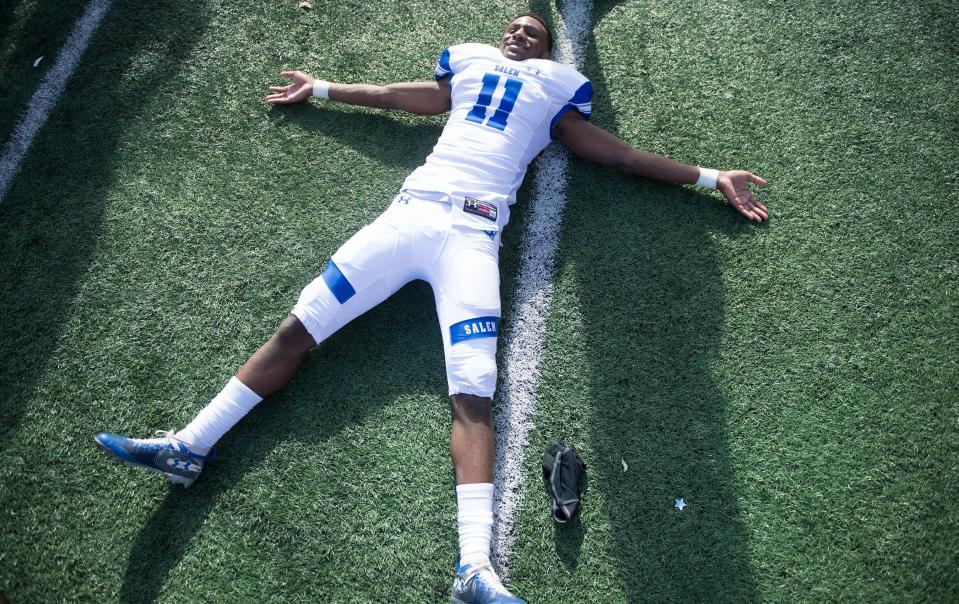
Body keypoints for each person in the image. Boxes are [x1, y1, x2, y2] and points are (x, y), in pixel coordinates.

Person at [94, 12, 768, 603]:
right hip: (405, 218)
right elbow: (407, 96)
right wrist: (324, 87)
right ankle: (190, 446)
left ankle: (473, 567)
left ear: (545, 52)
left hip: (473, 238)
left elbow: (617, 155)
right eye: (514, 26)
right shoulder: (469, 61)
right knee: (298, 329)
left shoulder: (558, 93)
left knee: (473, 392)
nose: (517, 31)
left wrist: (710, 178)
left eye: (531, 32)